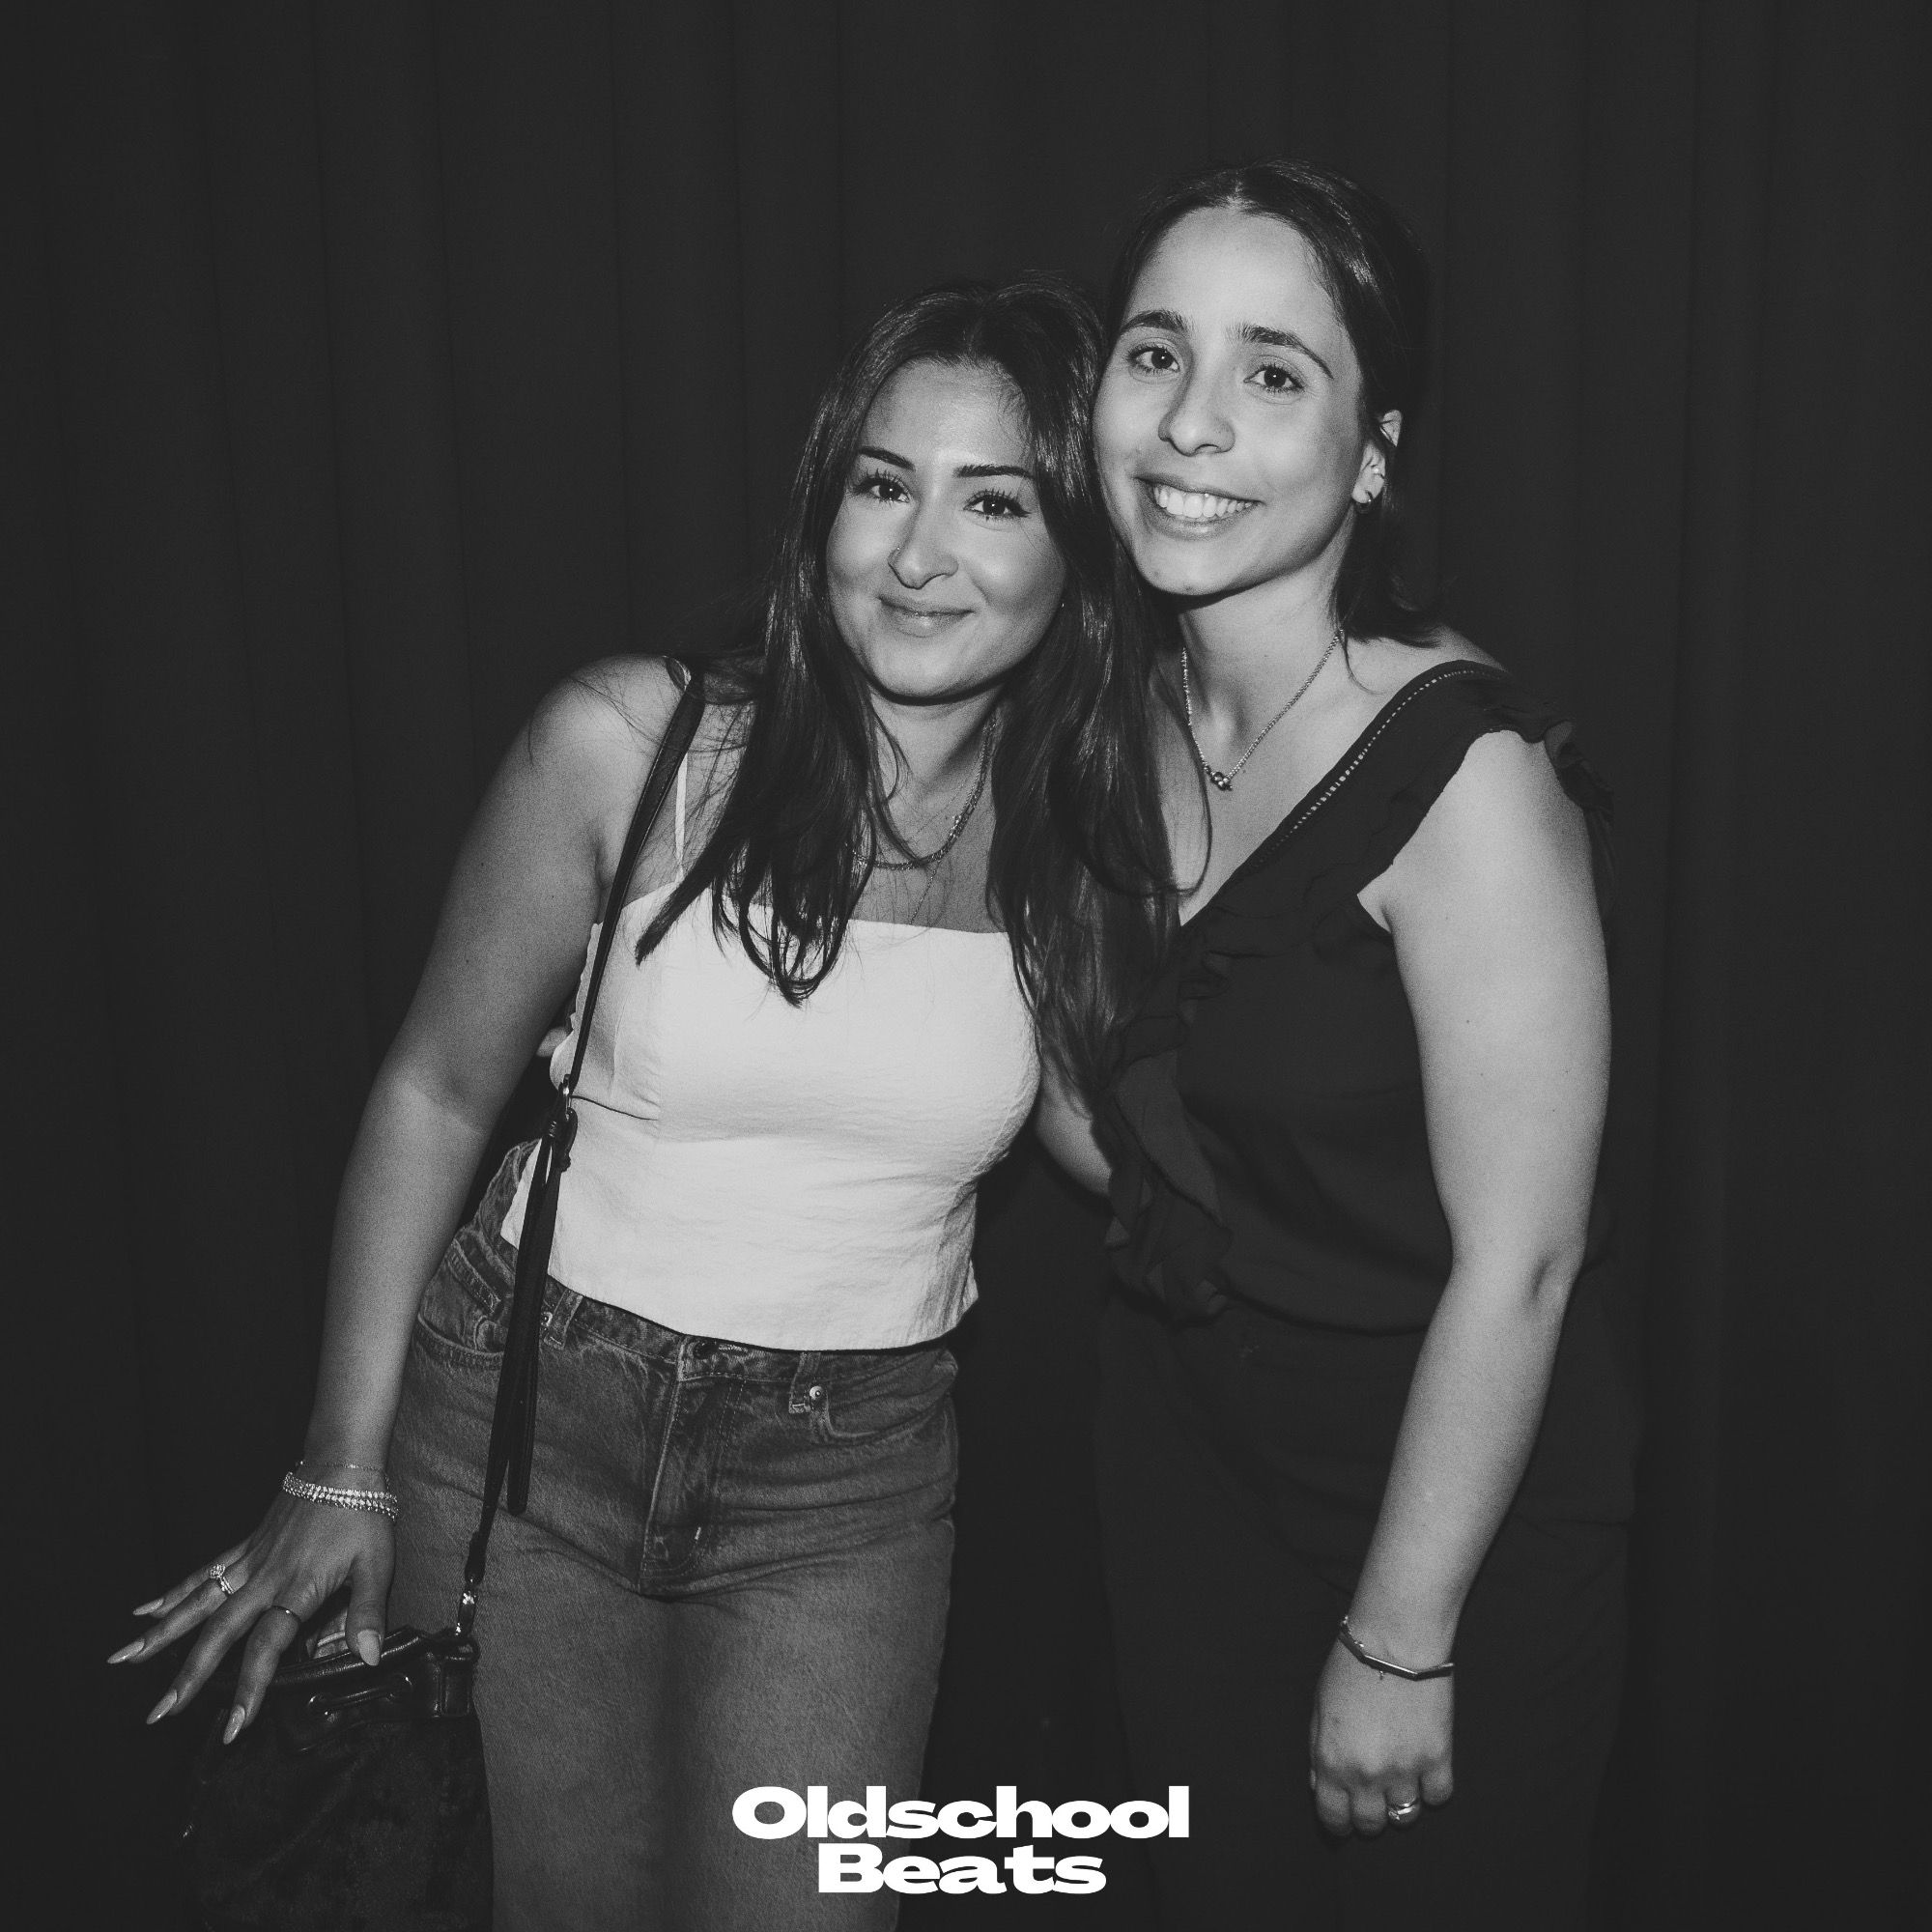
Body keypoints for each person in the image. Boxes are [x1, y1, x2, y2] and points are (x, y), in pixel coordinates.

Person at [112, 275, 1168, 1930]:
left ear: (1080, 553)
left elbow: (1114, 1146)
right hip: (530, 1424)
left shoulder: (1078, 845)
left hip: (846, 1479)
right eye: (883, 484)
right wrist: (340, 1465)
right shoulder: (630, 746)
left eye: (995, 502)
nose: (917, 554)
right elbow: (434, 1091)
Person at [1036, 159, 1639, 1927]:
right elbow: (1106, 1125)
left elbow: (1526, 1265)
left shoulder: (1466, 777)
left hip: (1448, 1507)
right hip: (1183, 1462)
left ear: (1372, 454)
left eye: (1275, 372)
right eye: (1157, 354)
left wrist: (1402, 1634)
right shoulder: (1108, 717)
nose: (1193, 423)